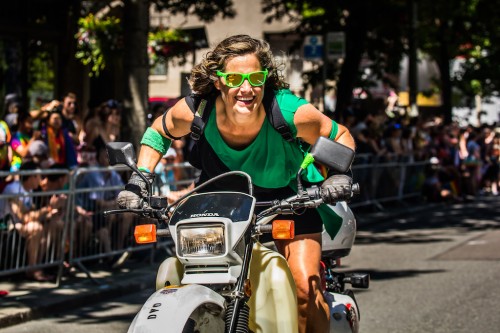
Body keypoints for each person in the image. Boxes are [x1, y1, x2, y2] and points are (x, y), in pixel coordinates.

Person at [117, 35, 356, 333]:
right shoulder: (196, 111)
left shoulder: (288, 110)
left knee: (304, 290)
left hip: (290, 197)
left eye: (255, 78)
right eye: (234, 78)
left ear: (264, 79)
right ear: (218, 81)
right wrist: (140, 179)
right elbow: (157, 133)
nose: (246, 89)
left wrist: (338, 174)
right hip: (223, 198)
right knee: (203, 276)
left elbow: (340, 134)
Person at [0, 161, 64, 281]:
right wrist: (49, 208)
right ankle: (32, 269)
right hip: (4, 223)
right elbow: (25, 217)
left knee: (52, 224)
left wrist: (50, 214)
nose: (41, 180)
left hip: (19, 223)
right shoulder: (13, 189)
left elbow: (32, 213)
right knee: (36, 228)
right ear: (31, 177)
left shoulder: (29, 190)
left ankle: (40, 265)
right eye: (39, 176)